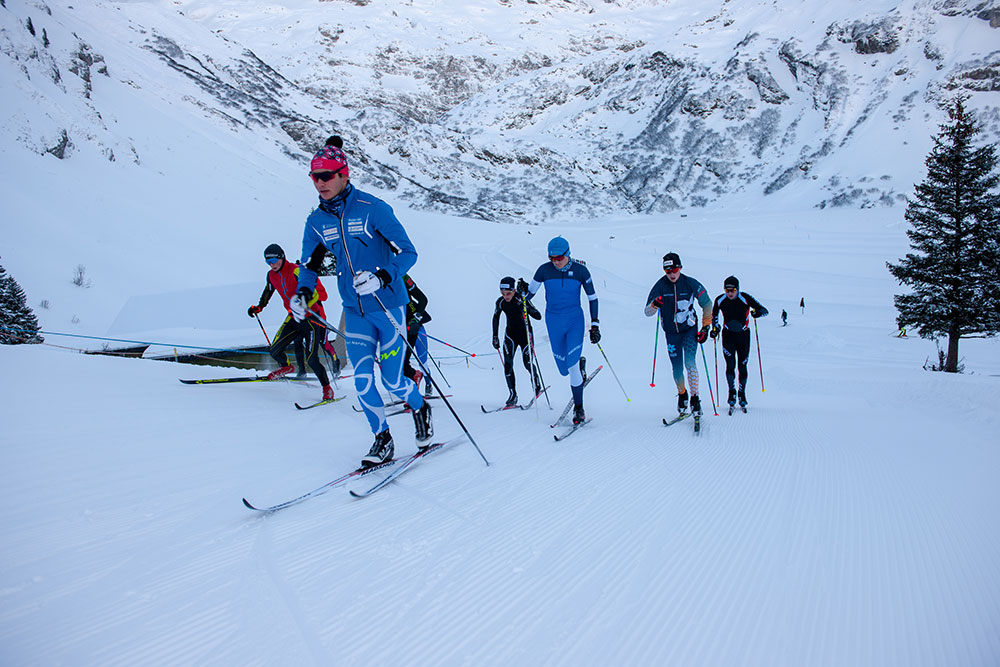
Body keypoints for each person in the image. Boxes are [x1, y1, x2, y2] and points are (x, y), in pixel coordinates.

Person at [293, 136, 431, 467]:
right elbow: (309, 265)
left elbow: (409, 252)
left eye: (326, 175)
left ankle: (419, 406)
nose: (320, 183)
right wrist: (301, 294)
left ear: (344, 174)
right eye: (314, 177)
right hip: (354, 311)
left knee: (394, 381)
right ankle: (382, 439)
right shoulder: (317, 221)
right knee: (363, 380)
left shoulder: (374, 209)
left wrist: (383, 277)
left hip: (389, 308)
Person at [523, 237, 599, 425]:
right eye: (552, 258)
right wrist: (521, 291)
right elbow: (528, 294)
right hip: (553, 321)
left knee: (571, 365)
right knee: (563, 369)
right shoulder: (544, 270)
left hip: (574, 319)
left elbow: (593, 298)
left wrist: (595, 324)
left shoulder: (581, 271)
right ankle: (579, 370)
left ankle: (579, 409)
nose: (555, 262)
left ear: (567, 254)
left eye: (559, 258)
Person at [247, 243, 335, 403]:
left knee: (312, 359)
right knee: (274, 350)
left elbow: (315, 294)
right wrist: (259, 307)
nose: (272, 264)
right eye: (268, 262)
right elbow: (268, 291)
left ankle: (327, 388)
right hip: (293, 318)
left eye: (274, 260)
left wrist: (304, 304)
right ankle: (287, 366)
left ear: (282, 257)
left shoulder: (296, 270)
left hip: (310, 318)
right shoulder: (271, 276)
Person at [644, 252, 711, 416]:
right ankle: (682, 395)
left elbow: (707, 304)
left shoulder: (689, 283)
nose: (672, 274)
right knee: (677, 369)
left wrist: (705, 327)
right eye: (668, 271)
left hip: (689, 330)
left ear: (680, 267)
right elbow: (647, 312)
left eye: (674, 270)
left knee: (690, 363)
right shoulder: (660, 285)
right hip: (671, 333)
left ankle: (695, 400)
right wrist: (655, 304)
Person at [710, 276, 768, 408]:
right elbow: (714, 316)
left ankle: (742, 393)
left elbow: (764, 310)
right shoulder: (720, 300)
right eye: (727, 290)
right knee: (730, 365)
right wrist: (715, 329)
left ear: (738, 289)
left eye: (733, 290)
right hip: (728, 336)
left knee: (742, 366)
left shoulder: (745, 298)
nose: (730, 293)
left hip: (743, 336)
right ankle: (732, 392)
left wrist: (756, 313)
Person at [492, 276, 542, 407]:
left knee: (527, 363)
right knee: (508, 365)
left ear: (514, 290)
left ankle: (536, 385)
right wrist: (495, 336)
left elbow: (538, 316)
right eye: (502, 293)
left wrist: (525, 305)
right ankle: (512, 394)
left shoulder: (521, 299)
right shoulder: (500, 302)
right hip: (510, 335)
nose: (505, 296)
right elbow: (496, 317)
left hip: (525, 335)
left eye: (508, 293)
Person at [401, 273, 432, 395]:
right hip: (401, 328)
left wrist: (416, 318)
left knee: (422, 362)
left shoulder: (403, 277)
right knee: (401, 362)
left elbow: (423, 299)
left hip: (416, 328)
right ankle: (410, 390)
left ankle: (428, 384)